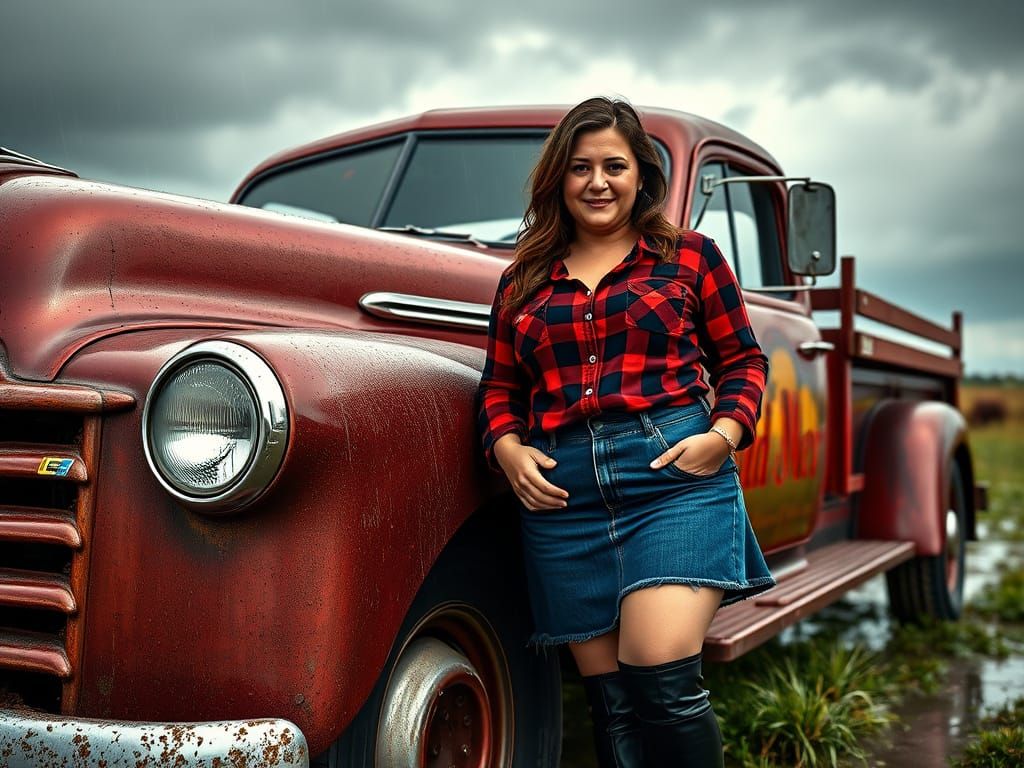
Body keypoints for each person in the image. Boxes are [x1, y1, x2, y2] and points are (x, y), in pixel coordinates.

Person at [477, 97, 774, 767]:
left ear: (641, 174)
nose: (597, 181)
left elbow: (743, 361)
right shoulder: (521, 279)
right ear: (559, 178)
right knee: (610, 707)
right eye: (580, 167)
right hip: (562, 500)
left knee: (659, 673)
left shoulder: (690, 257)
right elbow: (499, 388)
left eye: (614, 165)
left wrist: (723, 435)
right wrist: (507, 449)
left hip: (673, 478)